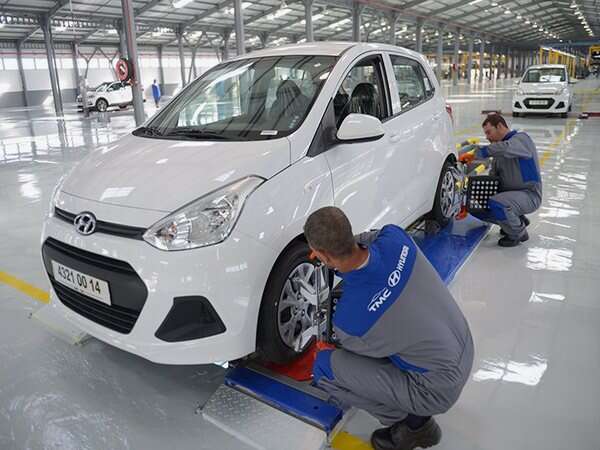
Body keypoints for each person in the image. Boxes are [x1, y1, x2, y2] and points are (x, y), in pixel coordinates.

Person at [304, 207, 474, 450]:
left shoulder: (349, 321)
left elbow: (363, 358)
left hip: (438, 390)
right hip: (464, 344)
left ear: (324, 257)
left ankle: (413, 427)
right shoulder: (395, 237)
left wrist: (329, 349)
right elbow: (371, 238)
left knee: (324, 366)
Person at [460, 114, 542, 247]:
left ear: (499, 126)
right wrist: (470, 197)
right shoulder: (499, 155)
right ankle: (516, 220)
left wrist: (477, 153)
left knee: (498, 203)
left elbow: (506, 147)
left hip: (530, 195)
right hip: (512, 196)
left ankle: (518, 233)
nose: (487, 137)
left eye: (489, 132)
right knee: (477, 208)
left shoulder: (521, 139)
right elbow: (493, 178)